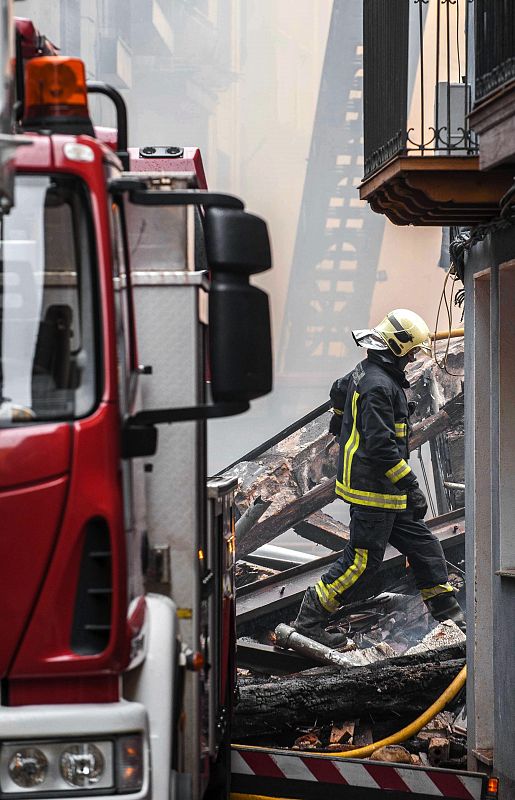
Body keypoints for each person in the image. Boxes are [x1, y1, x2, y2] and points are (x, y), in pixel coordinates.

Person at [292, 309, 466, 647]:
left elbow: (339, 388)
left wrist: (340, 419)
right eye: (413, 350)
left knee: (425, 547)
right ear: (399, 347)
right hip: (372, 490)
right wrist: (411, 486)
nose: (414, 357)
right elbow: (381, 447)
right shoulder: (379, 387)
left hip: (384, 487)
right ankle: (308, 623)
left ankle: (454, 624)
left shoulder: (366, 371)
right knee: (360, 562)